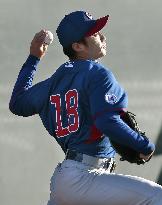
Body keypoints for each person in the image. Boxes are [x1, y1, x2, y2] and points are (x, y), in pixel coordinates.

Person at [9, 10, 162, 205]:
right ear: (77, 46)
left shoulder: (52, 83)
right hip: (86, 179)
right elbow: (106, 121)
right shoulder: (97, 74)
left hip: (68, 181)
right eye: (95, 33)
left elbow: (17, 103)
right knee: (157, 196)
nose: (102, 36)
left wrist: (33, 58)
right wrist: (144, 145)